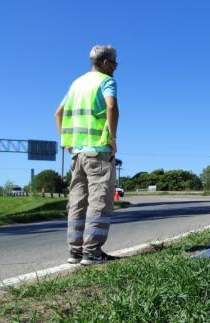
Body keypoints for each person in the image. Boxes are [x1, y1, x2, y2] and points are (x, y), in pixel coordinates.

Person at [54, 45, 120, 265]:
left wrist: (67, 142)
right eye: (115, 63)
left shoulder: (76, 83)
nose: (116, 67)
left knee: (77, 203)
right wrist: (112, 138)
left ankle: (75, 252)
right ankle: (92, 253)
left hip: (78, 154)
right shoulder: (106, 81)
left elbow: (58, 112)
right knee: (99, 201)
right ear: (105, 63)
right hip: (98, 151)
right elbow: (111, 107)